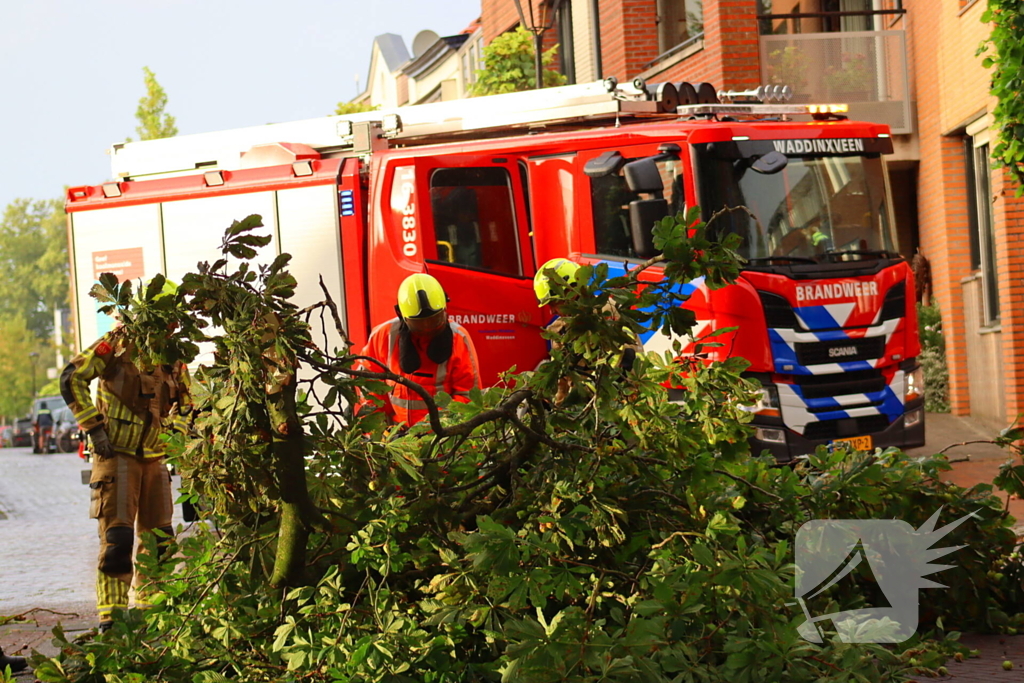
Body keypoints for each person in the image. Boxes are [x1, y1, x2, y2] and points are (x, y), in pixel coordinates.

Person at [60, 279, 191, 630]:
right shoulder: (117, 344)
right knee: (118, 542)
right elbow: (71, 377)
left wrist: (183, 450)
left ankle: (151, 615)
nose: (173, 325)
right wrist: (94, 428)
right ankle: (113, 620)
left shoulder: (173, 356)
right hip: (116, 456)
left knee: (160, 543)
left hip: (155, 460)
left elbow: (187, 407)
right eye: (168, 318)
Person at [354, 273, 481, 427]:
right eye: (419, 324)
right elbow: (370, 388)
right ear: (401, 315)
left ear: (445, 310)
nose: (427, 328)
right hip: (397, 435)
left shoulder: (458, 338)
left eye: (434, 321)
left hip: (442, 435)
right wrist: (379, 430)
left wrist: (434, 430)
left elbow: (468, 397)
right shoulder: (384, 336)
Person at [534, 258, 641, 404]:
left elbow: (625, 358)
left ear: (570, 291)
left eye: (554, 303)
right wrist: (560, 408)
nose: (552, 311)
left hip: (619, 402)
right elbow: (561, 378)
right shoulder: (559, 329)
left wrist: (586, 394)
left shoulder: (607, 312)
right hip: (584, 409)